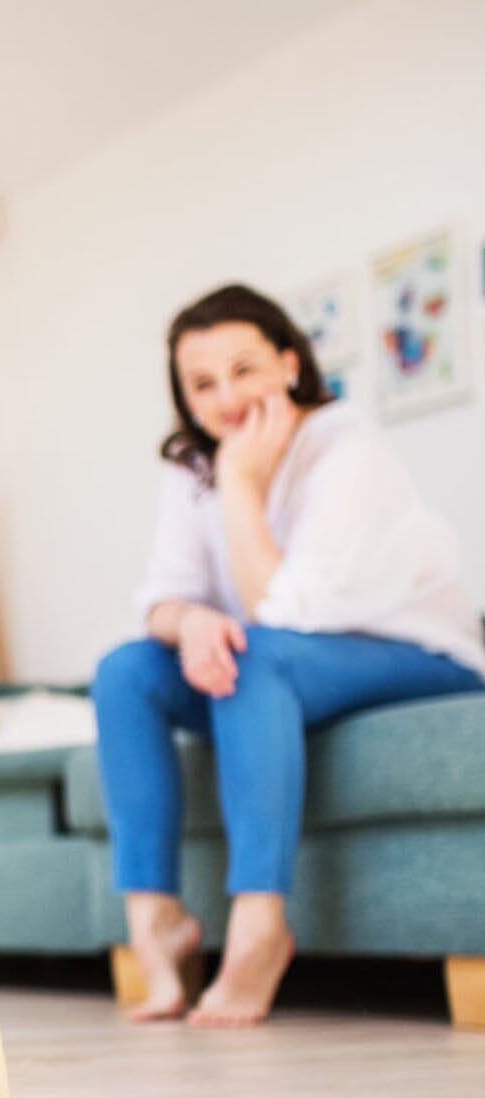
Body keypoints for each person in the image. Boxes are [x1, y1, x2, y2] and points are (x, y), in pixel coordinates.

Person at [93, 284, 485, 1028]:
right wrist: (193, 621)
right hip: (275, 656)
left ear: (287, 360)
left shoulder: (345, 445)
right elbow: (163, 598)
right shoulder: (189, 466)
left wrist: (241, 478)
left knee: (256, 655)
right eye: (202, 384)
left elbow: (281, 610)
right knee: (124, 671)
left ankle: (260, 927)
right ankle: (155, 923)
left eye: (245, 370)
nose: (227, 397)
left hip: (419, 653)